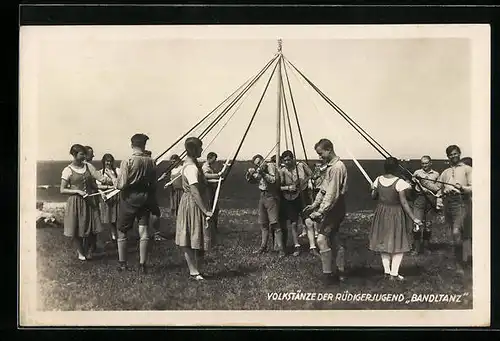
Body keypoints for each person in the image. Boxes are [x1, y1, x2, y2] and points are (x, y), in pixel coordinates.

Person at [369, 157, 423, 281]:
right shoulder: (400, 182)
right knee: (398, 243)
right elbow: (404, 202)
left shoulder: (378, 179)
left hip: (381, 213)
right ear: (396, 168)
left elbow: (373, 196)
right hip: (395, 214)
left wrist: (373, 188)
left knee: (383, 243)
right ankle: (393, 273)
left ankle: (387, 272)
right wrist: (414, 218)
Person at [303, 139, 348, 284]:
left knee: (321, 240)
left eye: (321, 154)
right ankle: (341, 273)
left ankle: (328, 277)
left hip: (335, 208)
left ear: (329, 149)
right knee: (334, 240)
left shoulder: (336, 168)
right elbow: (323, 189)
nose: (319, 157)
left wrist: (321, 211)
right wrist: (314, 204)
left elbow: (332, 193)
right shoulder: (330, 166)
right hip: (332, 207)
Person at [60, 144, 114, 261]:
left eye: (85, 154)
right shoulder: (67, 170)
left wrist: (113, 184)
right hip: (75, 202)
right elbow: (62, 189)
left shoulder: (88, 166)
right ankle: (80, 252)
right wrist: (78, 191)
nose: (84, 156)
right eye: (82, 154)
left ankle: (90, 250)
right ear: (74, 155)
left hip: (89, 201)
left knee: (93, 227)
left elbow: (97, 181)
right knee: (76, 228)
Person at [115, 134, 157, 274]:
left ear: (131, 144)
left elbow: (121, 185)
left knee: (121, 230)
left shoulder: (127, 161)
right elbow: (154, 184)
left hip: (128, 198)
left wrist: (114, 181)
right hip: (145, 198)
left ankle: (123, 264)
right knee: (144, 231)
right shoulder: (151, 161)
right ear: (145, 145)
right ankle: (142, 264)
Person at [175, 137, 213, 281]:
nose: (202, 150)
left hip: (191, 202)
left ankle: (197, 270)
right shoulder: (191, 168)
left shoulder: (191, 165)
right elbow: (195, 191)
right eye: (200, 148)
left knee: (196, 235)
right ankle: (193, 271)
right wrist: (205, 210)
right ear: (194, 149)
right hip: (192, 204)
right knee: (191, 236)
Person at [435, 145, 472, 275]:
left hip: (462, 201)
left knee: (458, 232)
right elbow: (437, 188)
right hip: (448, 203)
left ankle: (461, 264)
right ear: (448, 156)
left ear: (460, 154)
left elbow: (474, 187)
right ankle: (463, 259)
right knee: (456, 233)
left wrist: (462, 187)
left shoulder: (467, 169)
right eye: (451, 154)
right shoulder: (445, 172)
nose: (453, 156)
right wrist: (417, 182)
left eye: (456, 153)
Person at [278, 150, 318, 257]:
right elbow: (278, 187)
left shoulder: (301, 165)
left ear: (293, 158)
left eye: (288, 160)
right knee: (294, 223)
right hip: (290, 199)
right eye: (284, 160)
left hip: (303, 196)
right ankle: (297, 246)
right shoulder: (282, 171)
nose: (287, 162)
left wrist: (307, 180)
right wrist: (288, 187)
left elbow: (312, 175)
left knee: (308, 222)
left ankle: (313, 247)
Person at [245, 153, 285, 258]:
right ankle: (263, 247)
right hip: (262, 196)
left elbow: (273, 180)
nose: (258, 165)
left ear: (263, 160)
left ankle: (281, 249)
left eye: (259, 162)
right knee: (263, 223)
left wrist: (262, 173)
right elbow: (253, 180)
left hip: (271, 196)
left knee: (275, 223)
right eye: (256, 165)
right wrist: (250, 174)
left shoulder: (270, 166)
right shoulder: (260, 169)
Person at [411, 155, 441, 255]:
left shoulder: (436, 174)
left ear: (430, 163)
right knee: (417, 224)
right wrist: (413, 180)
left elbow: (438, 188)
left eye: (426, 163)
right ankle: (416, 248)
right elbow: (411, 185)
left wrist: (438, 200)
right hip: (419, 199)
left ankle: (426, 248)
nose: (425, 165)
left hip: (431, 200)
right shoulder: (417, 173)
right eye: (423, 163)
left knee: (428, 225)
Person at [202, 152, 228, 245]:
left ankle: (214, 228)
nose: (215, 160)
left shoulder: (210, 166)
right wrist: (218, 175)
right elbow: (206, 176)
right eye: (214, 158)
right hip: (208, 191)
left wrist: (218, 179)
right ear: (210, 158)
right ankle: (210, 229)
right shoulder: (205, 167)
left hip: (212, 190)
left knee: (215, 209)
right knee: (211, 208)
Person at [96, 153, 121, 244]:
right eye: (107, 161)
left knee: (117, 217)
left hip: (117, 196)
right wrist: (102, 193)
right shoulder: (100, 173)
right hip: (106, 197)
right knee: (110, 217)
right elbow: (98, 186)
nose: (108, 163)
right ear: (103, 162)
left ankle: (119, 236)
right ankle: (114, 236)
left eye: (110, 161)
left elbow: (119, 182)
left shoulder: (117, 171)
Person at [143, 150, 166, 242]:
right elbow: (150, 184)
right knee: (154, 214)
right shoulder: (147, 168)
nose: (150, 159)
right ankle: (152, 235)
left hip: (149, 194)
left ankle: (149, 235)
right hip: (147, 195)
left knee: (152, 214)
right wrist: (160, 179)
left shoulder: (149, 167)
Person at [165, 154, 184, 220]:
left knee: (181, 206)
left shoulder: (182, 168)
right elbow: (171, 180)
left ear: (178, 161)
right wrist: (169, 184)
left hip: (181, 191)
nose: (172, 163)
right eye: (171, 162)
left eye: (174, 161)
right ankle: (177, 220)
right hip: (174, 191)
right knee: (175, 206)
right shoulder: (172, 170)